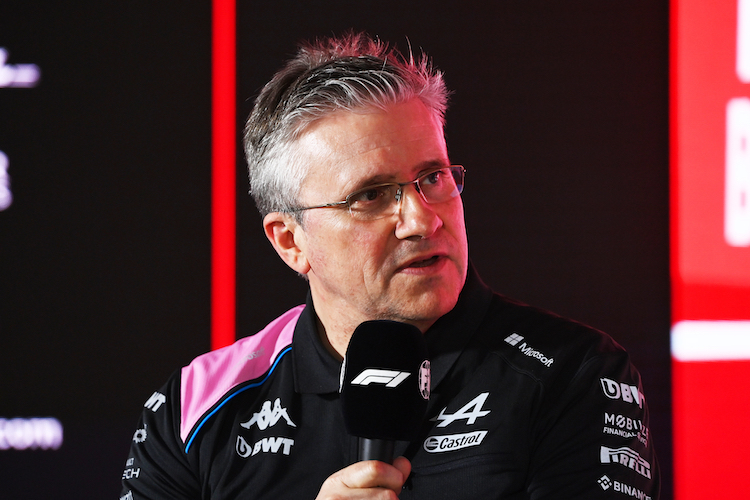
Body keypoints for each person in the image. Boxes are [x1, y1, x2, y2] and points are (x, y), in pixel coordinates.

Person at [119, 32, 660, 499]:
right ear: (290, 242)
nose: (422, 220)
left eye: (433, 178)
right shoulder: (193, 408)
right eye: (371, 195)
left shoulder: (574, 373)